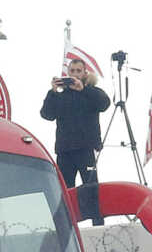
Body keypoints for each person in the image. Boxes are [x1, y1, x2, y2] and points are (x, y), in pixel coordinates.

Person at [41, 52, 110, 220]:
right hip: (65, 151)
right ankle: (68, 227)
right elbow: (46, 114)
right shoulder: (61, 96)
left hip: (86, 149)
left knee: (91, 189)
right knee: (65, 192)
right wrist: (53, 92)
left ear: (84, 73)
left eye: (78, 71)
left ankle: (97, 224)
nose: (74, 74)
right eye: (72, 70)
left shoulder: (92, 92)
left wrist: (83, 89)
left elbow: (104, 104)